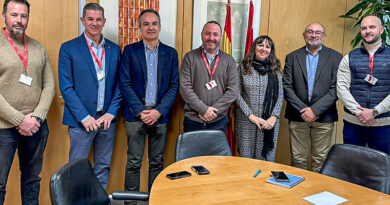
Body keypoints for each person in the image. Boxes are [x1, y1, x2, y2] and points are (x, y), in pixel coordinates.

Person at [58, 3, 122, 189]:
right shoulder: (69, 48)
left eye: (98, 19)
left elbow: (120, 85)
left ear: (104, 22)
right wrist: (84, 117)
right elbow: (66, 87)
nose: (94, 23)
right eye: (90, 19)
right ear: (83, 21)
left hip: (106, 120)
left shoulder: (114, 49)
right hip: (81, 122)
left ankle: (99, 201)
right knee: (76, 169)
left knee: (103, 167)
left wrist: (111, 112)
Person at [119, 9, 179, 202]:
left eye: (154, 23)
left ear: (160, 27)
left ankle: (154, 200)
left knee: (156, 163)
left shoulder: (170, 53)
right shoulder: (130, 51)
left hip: (160, 117)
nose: (150, 27)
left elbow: (173, 86)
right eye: (146, 24)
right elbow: (124, 84)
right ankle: (131, 201)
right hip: (135, 116)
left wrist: (158, 111)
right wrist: (141, 111)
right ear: (140, 28)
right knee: (134, 162)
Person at [0, 0, 55, 204]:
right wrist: (18, 120)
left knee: (32, 180)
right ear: (4, 16)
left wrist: (37, 117)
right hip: (3, 128)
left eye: (23, 16)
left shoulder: (38, 48)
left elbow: (49, 85)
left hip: (36, 127)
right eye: (14, 15)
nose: (19, 20)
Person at [283, 23, 342, 172]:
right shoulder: (292, 57)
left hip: (324, 116)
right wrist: (305, 110)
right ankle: (298, 191)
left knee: (321, 159)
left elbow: (336, 89)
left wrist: (315, 110)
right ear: (304, 35)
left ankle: (316, 192)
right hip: (298, 115)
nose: (313, 35)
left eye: (318, 32)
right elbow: (287, 87)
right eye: (310, 32)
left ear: (323, 36)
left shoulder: (336, 57)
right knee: (297, 158)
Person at [337, 15, 390, 154]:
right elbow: (341, 88)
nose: (367, 31)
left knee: (381, 169)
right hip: (353, 123)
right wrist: (360, 112)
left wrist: (375, 111)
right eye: (363, 28)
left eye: (372, 27)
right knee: (351, 166)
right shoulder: (349, 57)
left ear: (382, 29)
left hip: (384, 125)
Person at [180, 21, 238, 133]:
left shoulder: (229, 61)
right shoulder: (189, 57)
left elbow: (233, 91)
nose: (211, 38)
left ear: (220, 37)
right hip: (193, 120)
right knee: (193, 151)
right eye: (207, 33)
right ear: (202, 35)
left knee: (215, 152)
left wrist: (212, 112)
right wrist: (203, 109)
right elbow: (185, 88)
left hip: (218, 121)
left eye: (215, 34)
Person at [235, 36, 283, 161]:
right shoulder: (243, 67)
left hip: (269, 122)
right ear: (254, 47)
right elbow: (236, 93)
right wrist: (251, 116)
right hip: (246, 121)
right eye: (260, 45)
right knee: (246, 160)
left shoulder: (275, 69)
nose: (263, 49)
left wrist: (274, 117)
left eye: (267, 47)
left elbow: (280, 96)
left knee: (265, 161)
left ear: (271, 51)